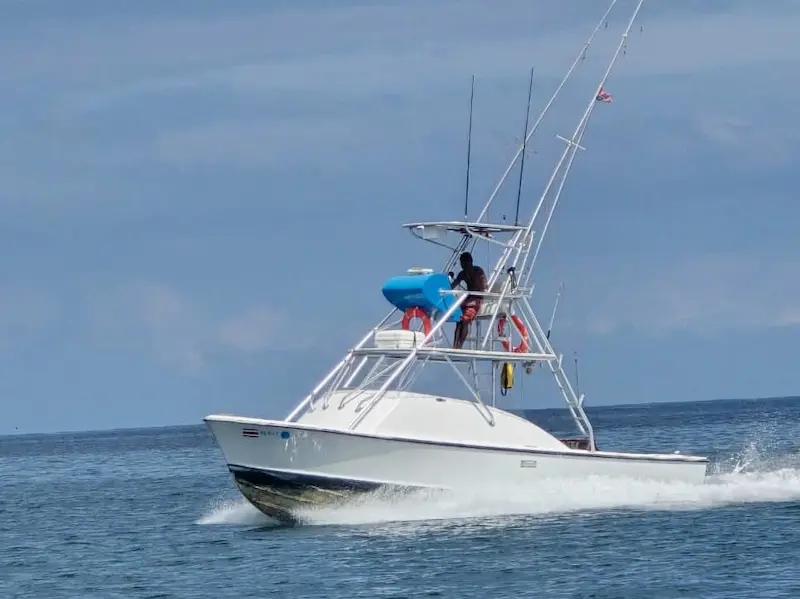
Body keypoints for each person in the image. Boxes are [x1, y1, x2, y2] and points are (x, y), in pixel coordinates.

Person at [450, 251, 488, 349]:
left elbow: (484, 287)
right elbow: (452, 286)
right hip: (467, 299)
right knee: (459, 321)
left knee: (465, 320)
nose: (463, 266)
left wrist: (476, 291)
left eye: (464, 263)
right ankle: (455, 347)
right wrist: (448, 279)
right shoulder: (462, 274)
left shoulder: (478, 271)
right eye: (462, 264)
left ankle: (460, 346)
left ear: (470, 262)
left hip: (477, 299)